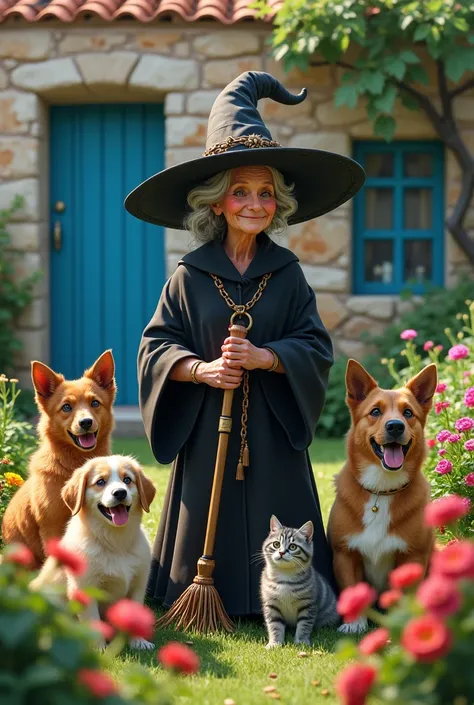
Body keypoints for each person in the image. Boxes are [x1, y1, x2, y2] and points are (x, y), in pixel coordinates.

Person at [125, 71, 365, 617]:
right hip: (209, 427)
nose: (254, 204)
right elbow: (155, 346)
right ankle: (198, 587)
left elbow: (315, 343)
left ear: (277, 203)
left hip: (273, 437)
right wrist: (200, 370)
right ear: (217, 203)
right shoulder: (188, 275)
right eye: (241, 192)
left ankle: (289, 600)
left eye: (265, 193)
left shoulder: (287, 274)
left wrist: (267, 357)